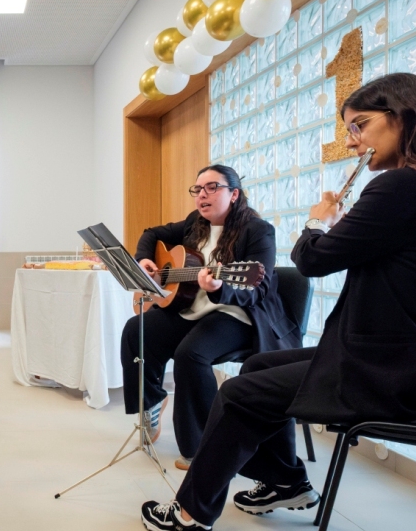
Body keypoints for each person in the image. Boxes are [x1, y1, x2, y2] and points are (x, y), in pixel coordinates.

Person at [141, 73, 416, 531]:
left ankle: (190, 516)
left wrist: (321, 219)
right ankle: (287, 482)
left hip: (391, 371)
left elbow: (311, 260)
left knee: (241, 391)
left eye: (360, 126)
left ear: (404, 117)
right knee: (258, 366)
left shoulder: (402, 186)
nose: (354, 142)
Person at [122, 164, 299, 470]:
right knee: (136, 329)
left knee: (191, 354)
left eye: (212, 187)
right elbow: (152, 233)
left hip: (238, 314)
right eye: (198, 189)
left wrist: (219, 289)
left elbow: (257, 289)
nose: (202, 195)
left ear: (234, 194)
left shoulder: (258, 231)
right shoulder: (196, 222)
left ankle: (202, 446)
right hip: (195, 309)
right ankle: (151, 399)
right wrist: (145, 259)